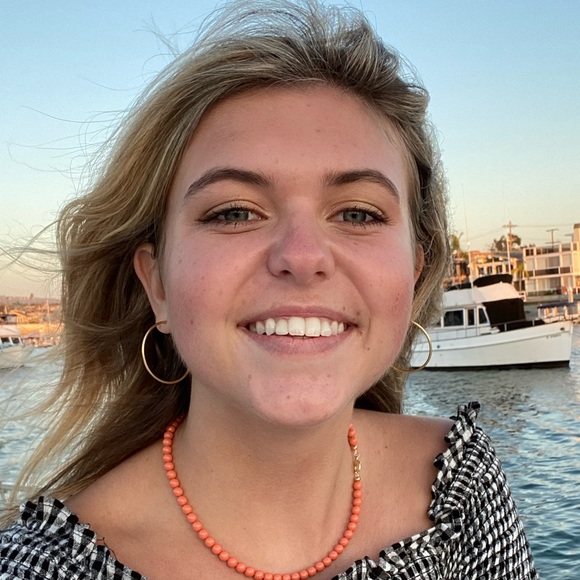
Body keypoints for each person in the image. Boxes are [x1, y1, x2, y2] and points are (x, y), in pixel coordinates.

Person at [0, 1, 537, 578]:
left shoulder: (462, 489)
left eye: (358, 213)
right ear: (157, 284)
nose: (302, 258)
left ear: (413, 272)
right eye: (234, 212)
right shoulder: (42, 568)